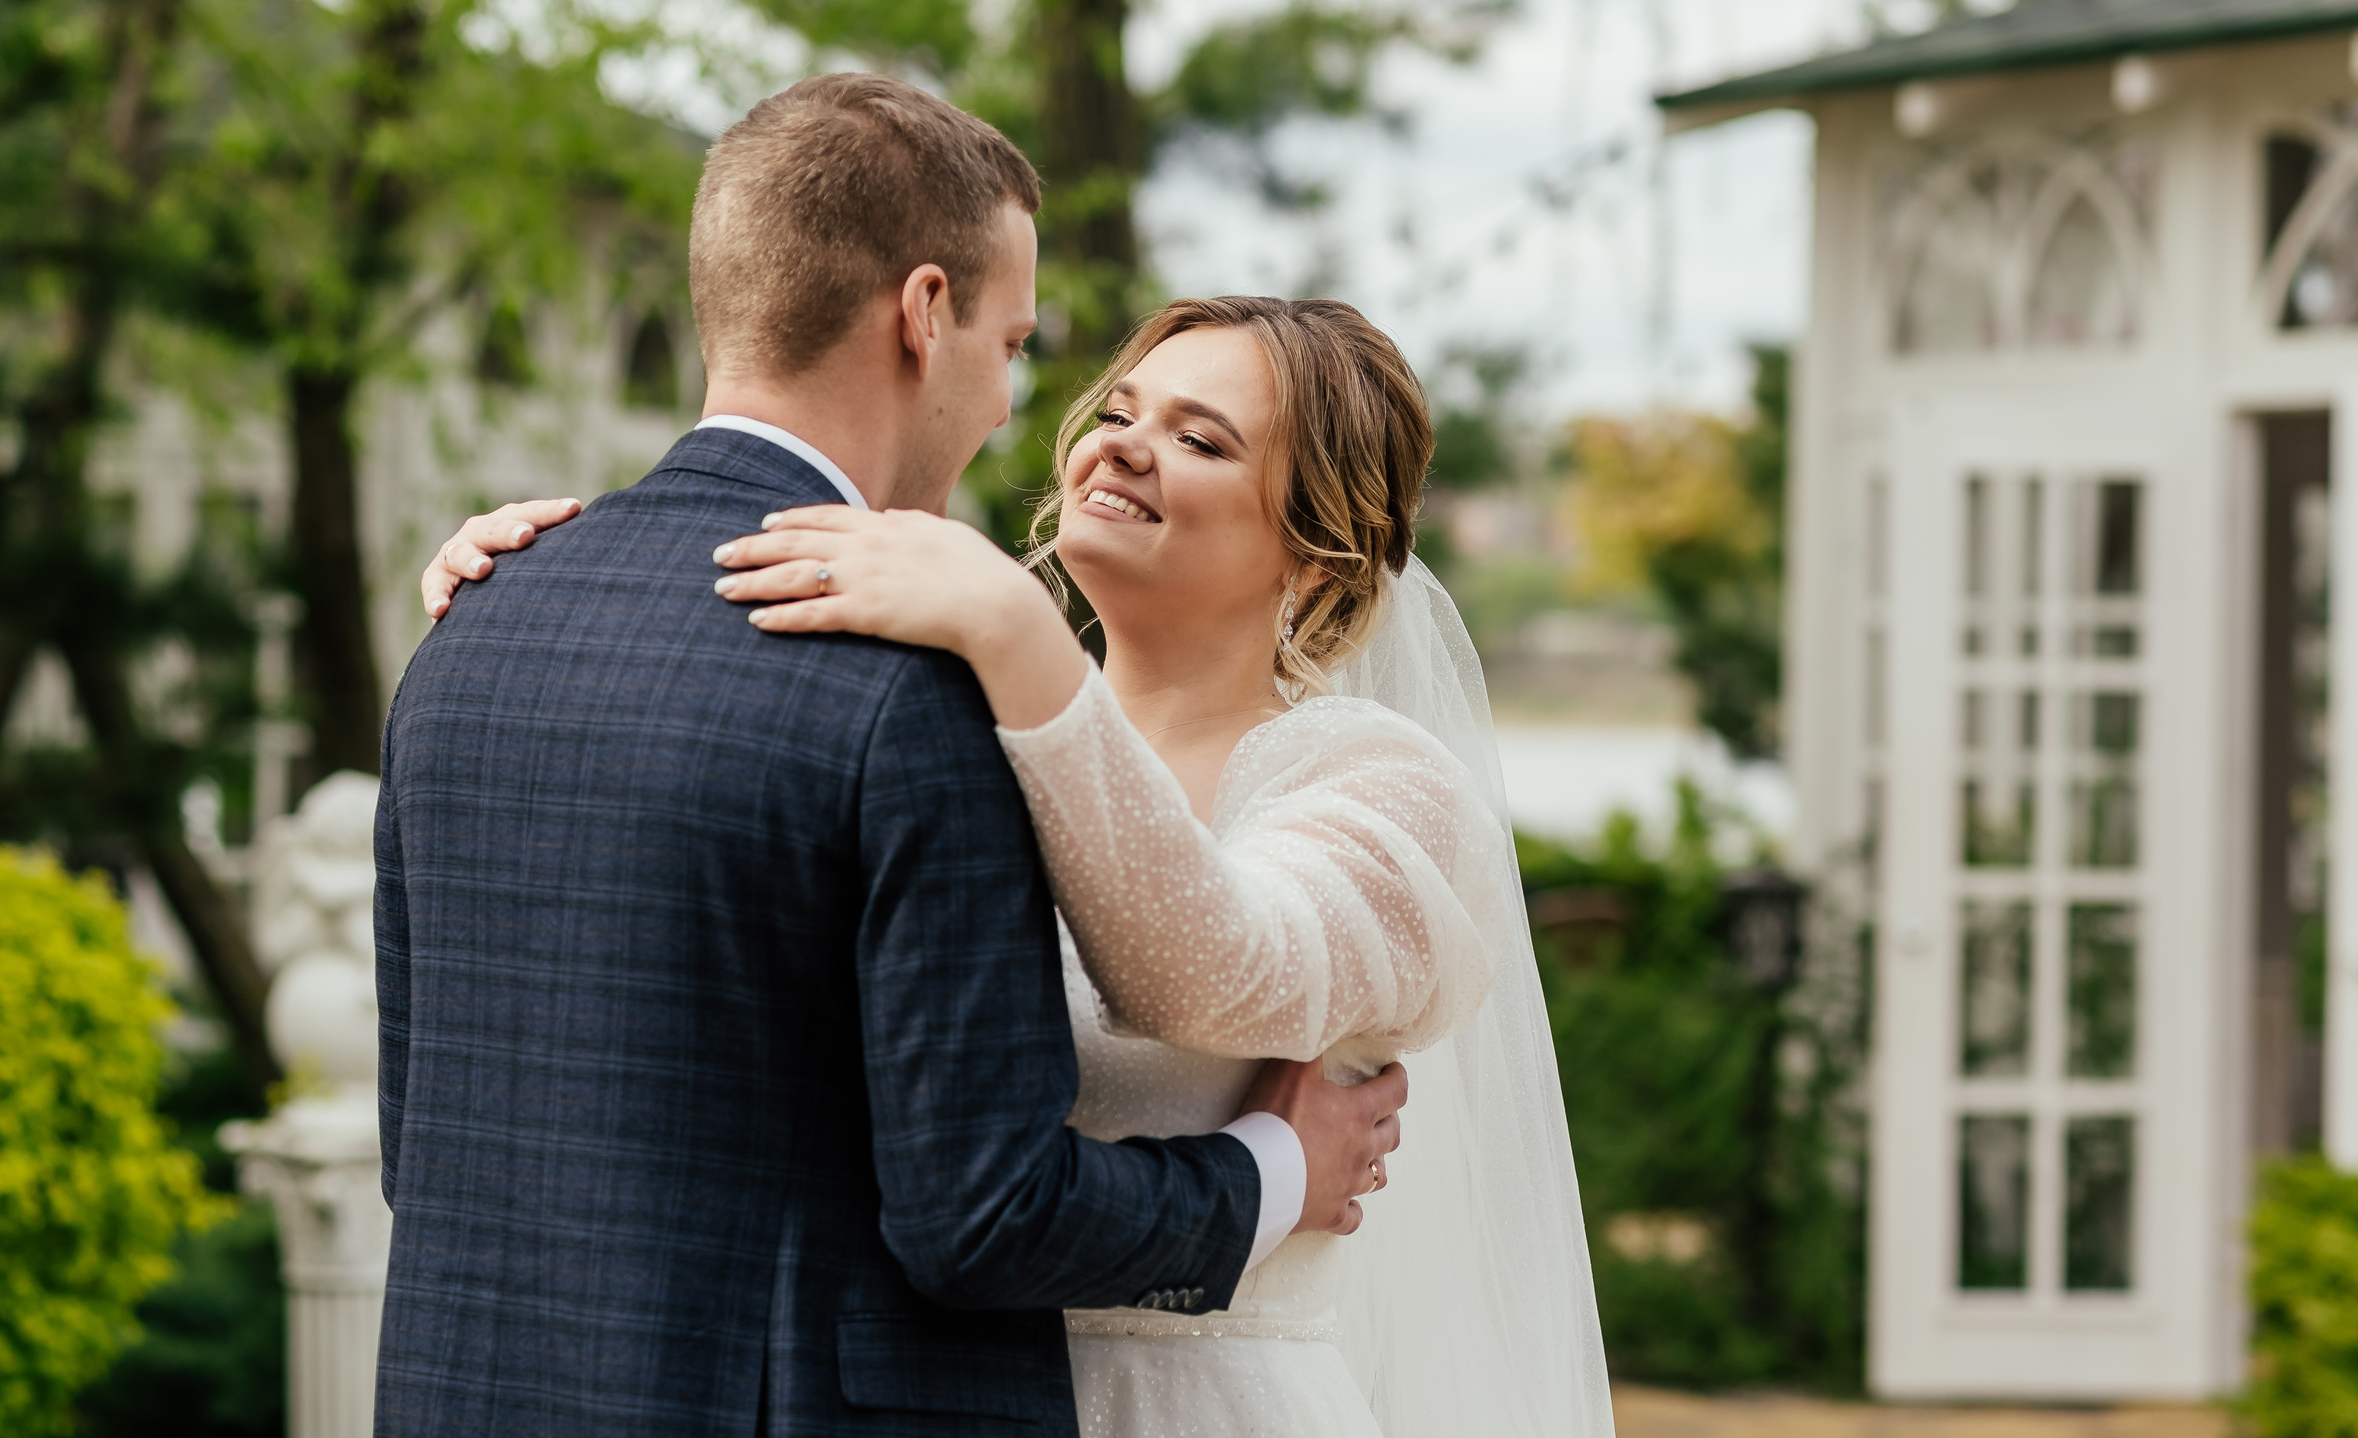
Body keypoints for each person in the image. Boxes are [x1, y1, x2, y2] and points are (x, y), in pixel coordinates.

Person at [374, 73, 1411, 1438]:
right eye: (1019, 346)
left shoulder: (476, 615)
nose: (1012, 410)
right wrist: (1276, 1165)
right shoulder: (909, 690)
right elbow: (981, 1216)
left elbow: (425, 1146)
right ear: (926, 315)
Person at [430, 290, 1613, 1435]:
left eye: (1198, 438)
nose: (1127, 449)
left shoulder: (1374, 783)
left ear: (1317, 557)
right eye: (1117, 412)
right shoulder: (955, 730)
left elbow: (1213, 971)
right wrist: (538, 595)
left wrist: (1012, 625)